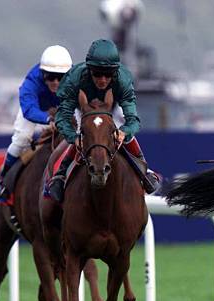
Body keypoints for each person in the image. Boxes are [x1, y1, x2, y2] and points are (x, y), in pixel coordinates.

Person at [48, 38, 159, 203]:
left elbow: (133, 120)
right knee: (83, 133)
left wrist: (124, 132)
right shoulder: (75, 79)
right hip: (83, 107)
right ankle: (61, 174)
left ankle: (144, 170)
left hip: (112, 106)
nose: (102, 80)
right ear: (89, 70)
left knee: (122, 129)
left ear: (115, 72)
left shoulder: (122, 80)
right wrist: (74, 137)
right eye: (97, 74)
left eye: (108, 75)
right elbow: (62, 118)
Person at [0, 45, 73, 200]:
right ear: (42, 73)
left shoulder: (76, 78)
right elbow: (28, 109)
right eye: (50, 77)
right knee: (21, 139)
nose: (56, 82)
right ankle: (3, 180)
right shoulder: (31, 81)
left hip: (61, 110)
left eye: (60, 77)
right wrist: (47, 118)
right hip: (37, 111)